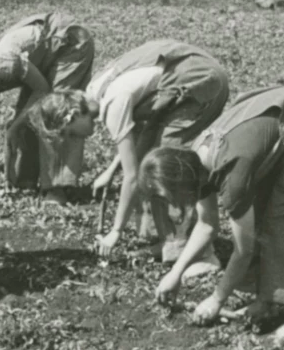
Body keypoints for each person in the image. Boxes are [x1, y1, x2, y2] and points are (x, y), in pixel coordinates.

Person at [145, 86, 284, 340]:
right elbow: (207, 225)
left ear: (181, 184)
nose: (172, 207)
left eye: (171, 198)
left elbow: (243, 251)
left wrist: (216, 299)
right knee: (264, 212)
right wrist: (175, 274)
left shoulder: (230, 173)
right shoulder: (195, 163)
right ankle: (269, 300)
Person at [21, 39, 229, 276]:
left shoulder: (112, 103)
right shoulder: (94, 90)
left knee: (168, 166)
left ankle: (203, 255)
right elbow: (136, 141)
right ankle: (172, 242)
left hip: (201, 81)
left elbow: (131, 177)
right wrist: (110, 171)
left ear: (72, 116)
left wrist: (116, 232)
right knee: (151, 161)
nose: (75, 139)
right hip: (183, 82)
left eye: (70, 134)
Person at [0, 12, 95, 206]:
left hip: (70, 45)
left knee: (54, 114)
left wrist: (18, 124)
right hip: (41, 59)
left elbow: (43, 91)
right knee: (21, 120)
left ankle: (57, 190)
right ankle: (23, 184)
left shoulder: (5, 65)